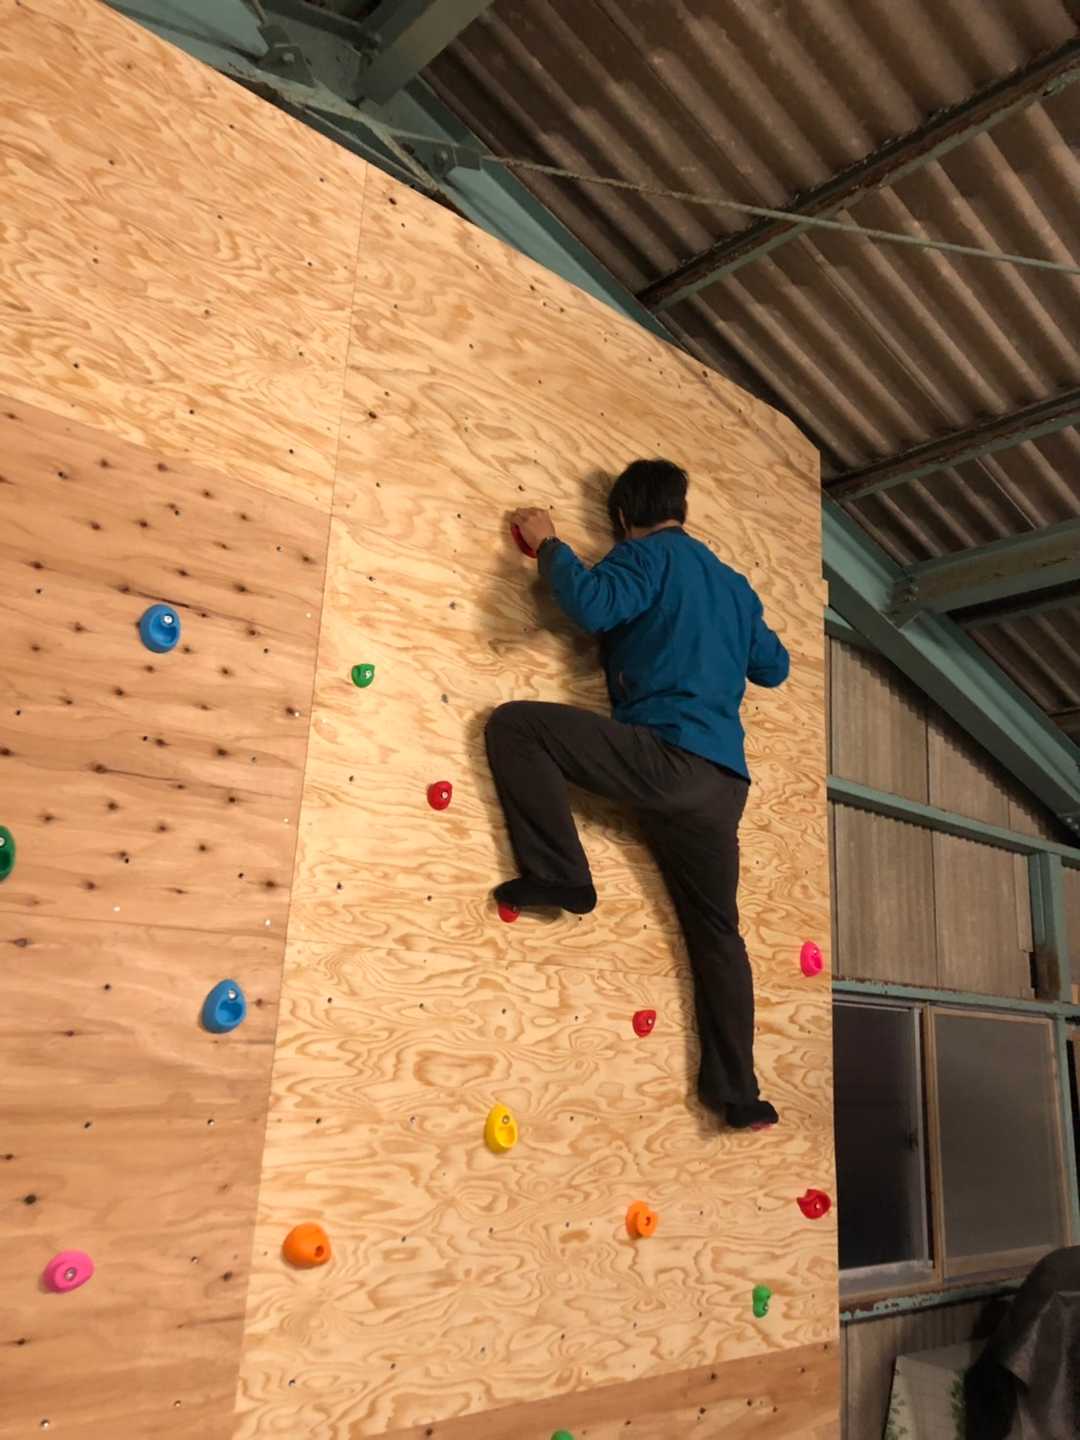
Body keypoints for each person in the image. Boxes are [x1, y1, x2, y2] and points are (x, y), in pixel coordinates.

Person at [485, 459, 789, 1130]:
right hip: (723, 788)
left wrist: (549, 545)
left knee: (517, 727)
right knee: (717, 935)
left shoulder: (648, 557)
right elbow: (774, 667)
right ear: (681, 510)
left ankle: (560, 875)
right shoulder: (733, 585)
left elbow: (592, 605)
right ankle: (739, 1096)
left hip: (667, 759)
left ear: (623, 518)